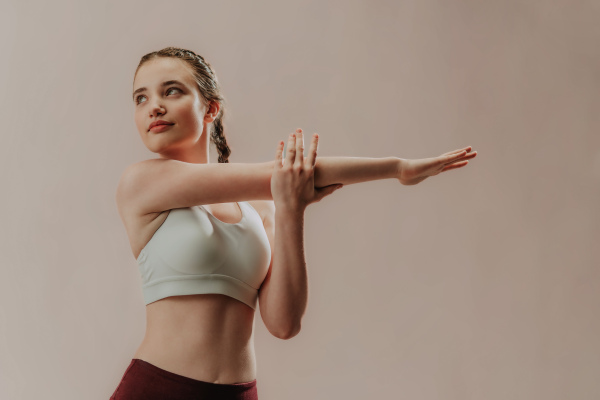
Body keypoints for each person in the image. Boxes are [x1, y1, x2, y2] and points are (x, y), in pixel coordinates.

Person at [110, 46, 477, 399]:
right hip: (158, 390)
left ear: (210, 109)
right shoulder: (142, 183)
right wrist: (396, 168)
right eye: (140, 98)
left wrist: (291, 208)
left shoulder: (260, 208)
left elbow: (284, 323)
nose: (153, 106)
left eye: (171, 91)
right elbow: (284, 173)